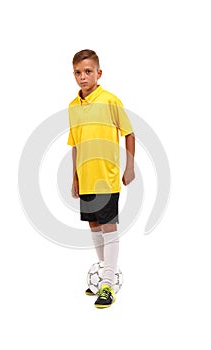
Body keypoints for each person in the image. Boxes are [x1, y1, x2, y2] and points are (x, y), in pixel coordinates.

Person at [67, 49, 135, 308]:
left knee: (109, 227)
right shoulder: (73, 107)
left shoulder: (110, 101)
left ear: (99, 73)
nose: (82, 77)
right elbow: (75, 144)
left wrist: (130, 167)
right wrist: (74, 176)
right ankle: (104, 274)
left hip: (105, 177)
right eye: (77, 72)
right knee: (93, 225)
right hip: (85, 177)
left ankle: (108, 283)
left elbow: (129, 133)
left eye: (87, 71)